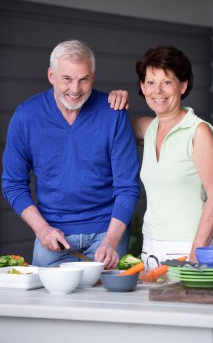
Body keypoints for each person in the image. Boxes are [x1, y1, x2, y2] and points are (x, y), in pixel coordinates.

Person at [2, 39, 140, 269]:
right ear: (51, 76)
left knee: (107, 304)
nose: (75, 89)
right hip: (52, 238)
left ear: (93, 77)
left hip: (107, 235)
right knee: (47, 304)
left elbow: (127, 186)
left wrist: (110, 241)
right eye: (67, 79)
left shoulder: (113, 114)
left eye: (83, 79)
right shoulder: (26, 116)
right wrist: (42, 229)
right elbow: (13, 183)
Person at [109, 45, 213, 267]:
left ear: (183, 86)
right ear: (142, 87)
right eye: (150, 83)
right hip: (150, 248)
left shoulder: (198, 132)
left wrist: (196, 254)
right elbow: (110, 126)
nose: (157, 91)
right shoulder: (148, 128)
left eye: (166, 82)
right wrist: (115, 98)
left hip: (190, 247)